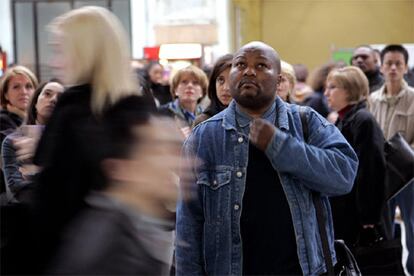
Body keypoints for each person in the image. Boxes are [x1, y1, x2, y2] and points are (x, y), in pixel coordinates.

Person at [175, 41, 358, 275]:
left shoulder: (306, 123)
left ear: (280, 80)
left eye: (261, 65)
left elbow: (344, 176)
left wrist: (280, 146)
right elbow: (188, 223)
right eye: (240, 65)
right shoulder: (204, 138)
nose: (249, 71)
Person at [20, 6, 157, 274]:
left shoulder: (72, 109)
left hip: (76, 257)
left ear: (85, 51)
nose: (56, 61)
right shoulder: (139, 107)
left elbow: (51, 205)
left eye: (61, 49)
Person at [46, 110, 184, 275]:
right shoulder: (106, 250)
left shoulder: (138, 230)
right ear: (122, 168)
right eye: (158, 152)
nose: (175, 163)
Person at [324, 66, 386, 247]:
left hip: (357, 212)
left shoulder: (363, 120)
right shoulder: (342, 119)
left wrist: (369, 216)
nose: (326, 93)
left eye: (333, 87)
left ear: (350, 90)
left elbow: (371, 169)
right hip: (343, 205)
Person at [369, 44, 414, 275]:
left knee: (413, 226)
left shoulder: (413, 98)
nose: (393, 68)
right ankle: (391, 269)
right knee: (383, 227)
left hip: (408, 176)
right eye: (389, 63)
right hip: (381, 174)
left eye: (398, 63)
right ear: (381, 67)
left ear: (406, 67)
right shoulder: (372, 99)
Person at [2, 80, 63, 203]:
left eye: (61, 98)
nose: (53, 100)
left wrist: (35, 173)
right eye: (47, 94)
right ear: (35, 102)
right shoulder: (12, 141)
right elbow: (17, 188)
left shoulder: (70, 142)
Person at [0, 65, 38, 203]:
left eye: (29, 86)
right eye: (16, 87)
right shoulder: (3, 120)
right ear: (5, 94)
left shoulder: (34, 119)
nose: (24, 92)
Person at [158, 65, 208, 137]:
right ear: (175, 90)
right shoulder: (160, 114)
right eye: (184, 82)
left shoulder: (207, 118)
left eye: (195, 83)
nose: (190, 86)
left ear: (202, 92)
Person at [193, 54, 233, 126]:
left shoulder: (252, 119)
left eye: (231, 80)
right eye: (221, 80)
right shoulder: (203, 122)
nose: (225, 88)